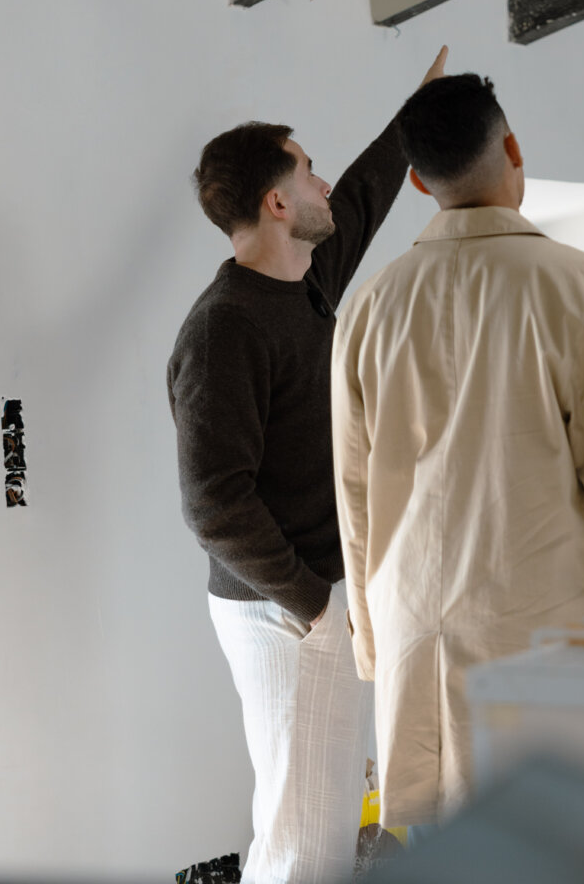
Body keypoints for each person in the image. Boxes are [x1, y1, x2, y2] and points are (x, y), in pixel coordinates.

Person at [331, 72, 584, 835]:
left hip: (422, 643)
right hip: (552, 642)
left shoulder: (369, 308)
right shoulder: (583, 290)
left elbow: (353, 495)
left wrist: (376, 644)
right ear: (511, 148)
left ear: (415, 180)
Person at [167, 47, 447, 884]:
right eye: (309, 170)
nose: (325, 184)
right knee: (304, 846)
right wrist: (315, 606)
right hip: (283, 612)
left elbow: (360, 196)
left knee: (313, 827)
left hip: (315, 599)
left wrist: (415, 116)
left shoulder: (305, 280)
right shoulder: (225, 327)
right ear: (277, 200)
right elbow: (213, 502)